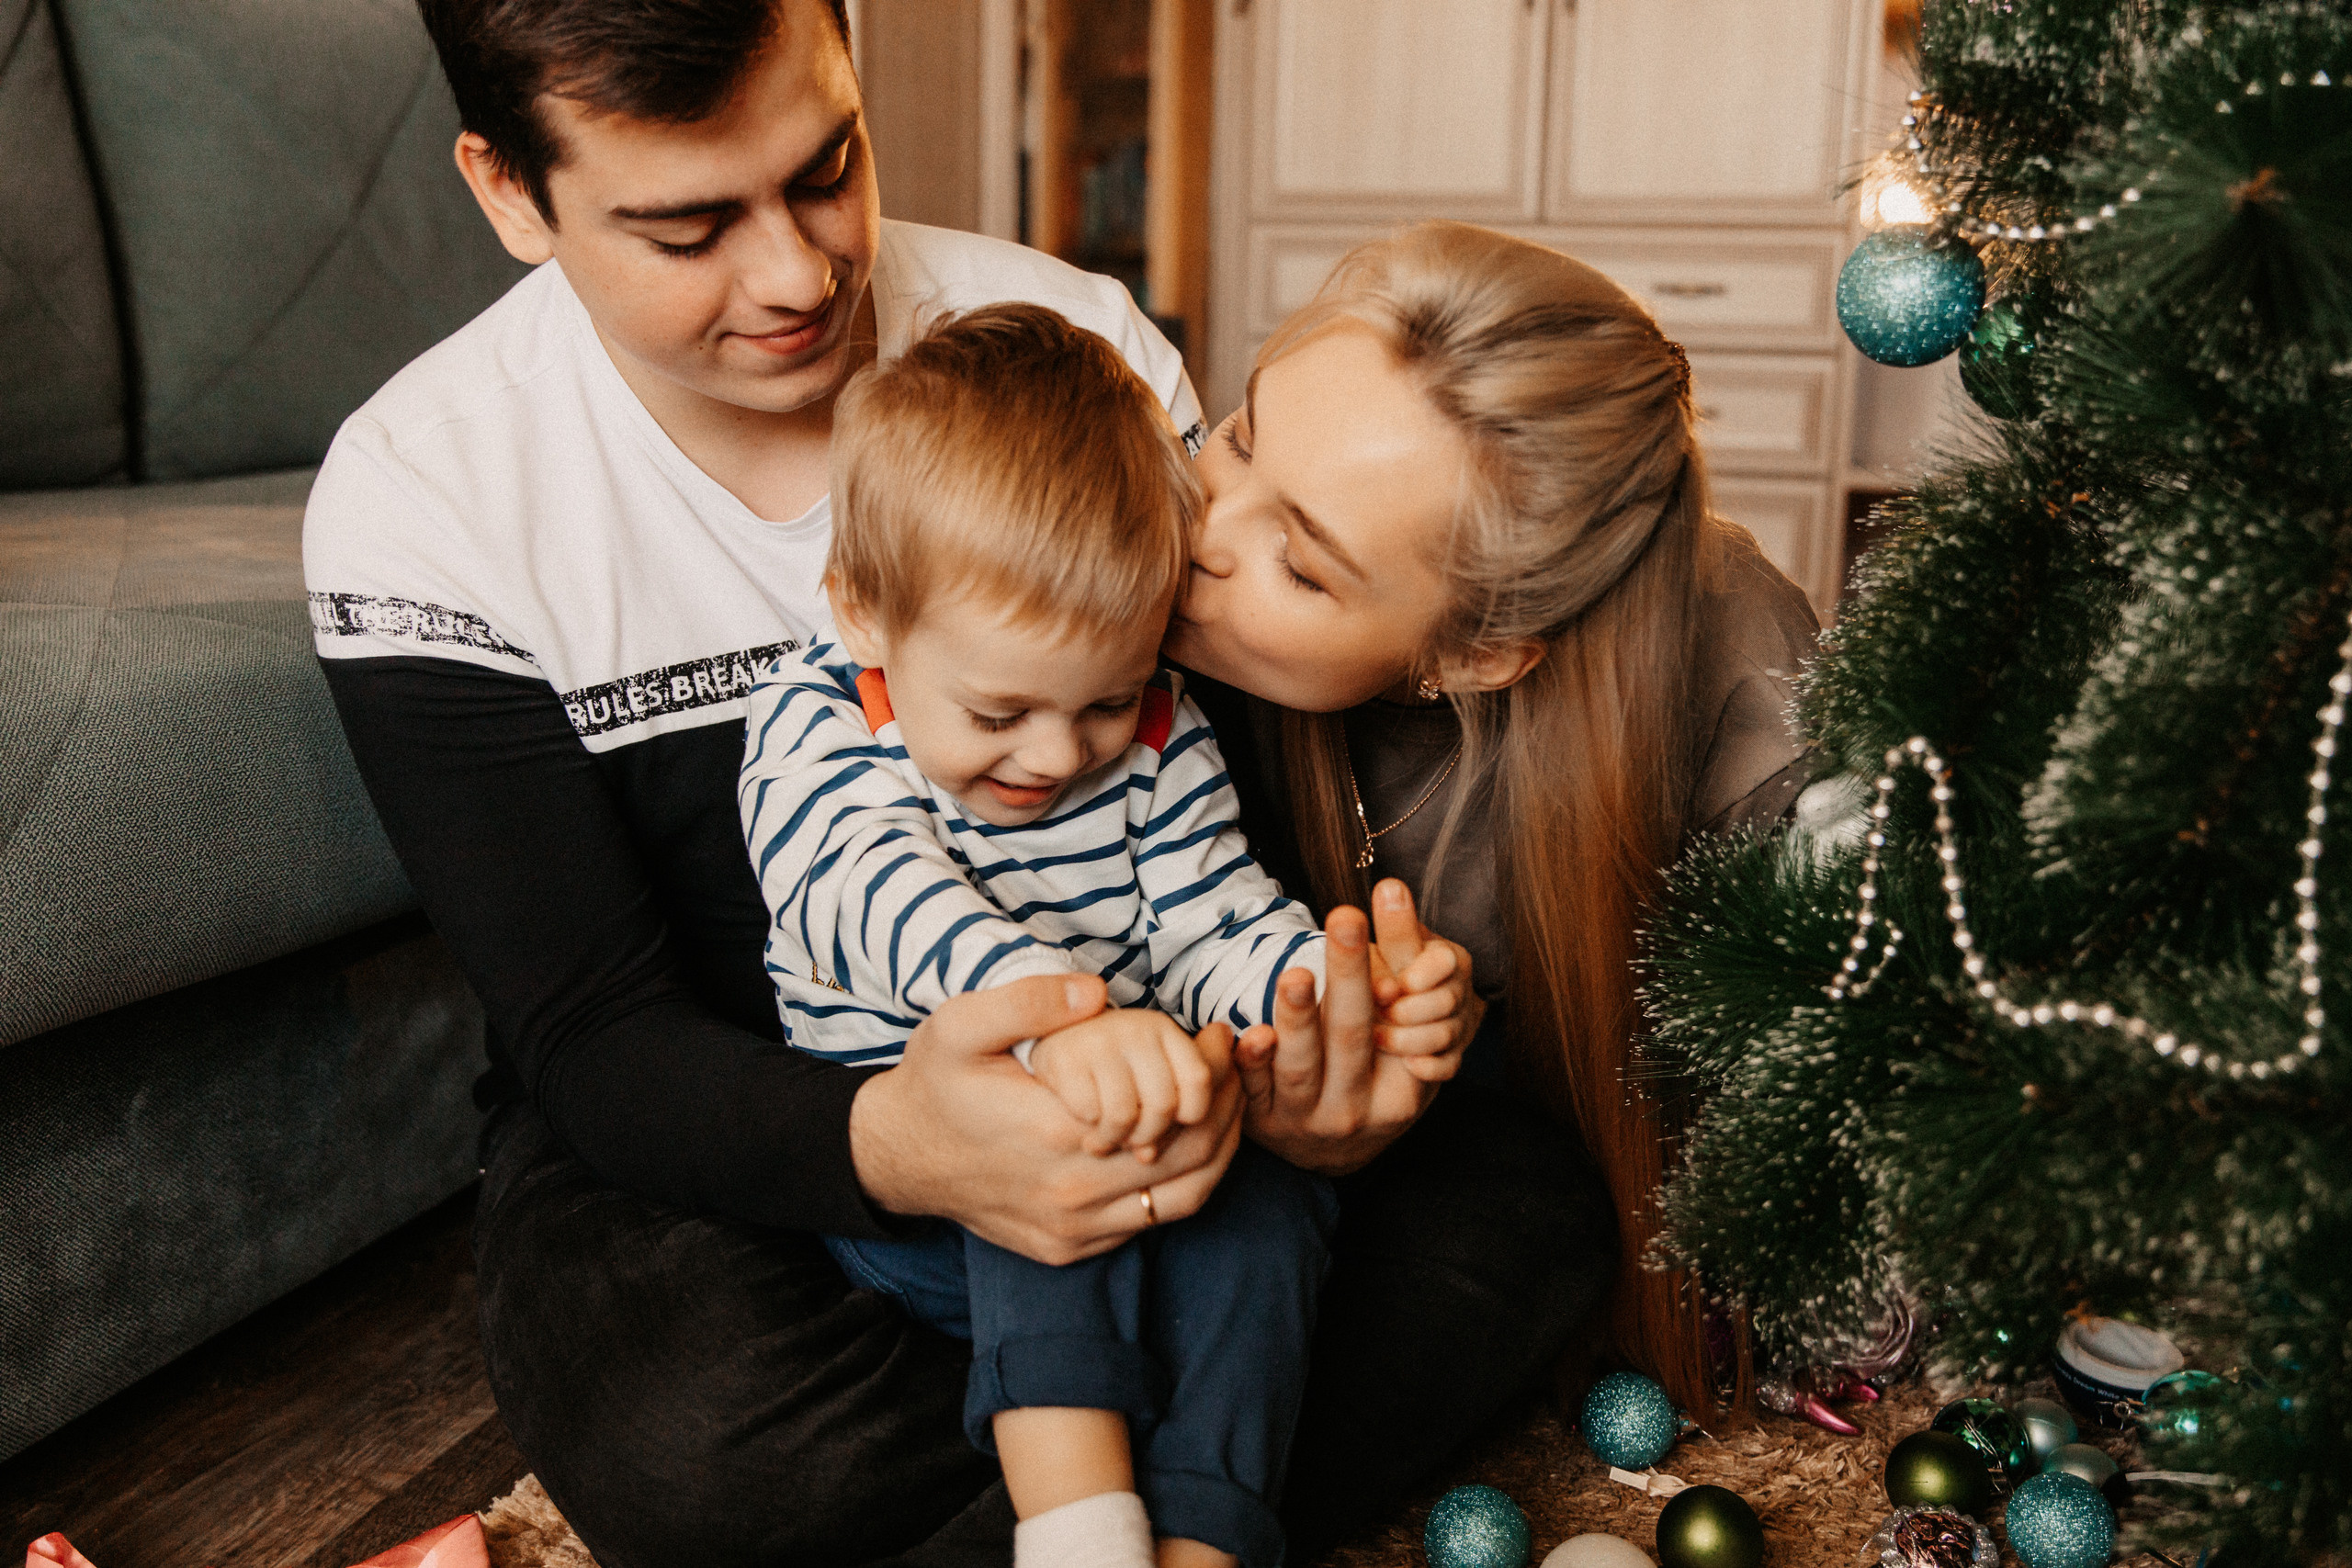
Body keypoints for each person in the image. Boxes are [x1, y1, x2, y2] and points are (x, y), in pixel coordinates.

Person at [308, 3, 1512, 1565]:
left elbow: (1199, 834)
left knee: (1515, 1212)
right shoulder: (425, 497)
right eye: (689, 226)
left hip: (1142, 1071)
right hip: (726, 1113)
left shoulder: (1073, 351)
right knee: (696, 1438)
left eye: (829, 168)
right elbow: (592, 1035)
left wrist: (1313, 1062)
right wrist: (909, 1145)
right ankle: (1120, 1468)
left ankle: (1124, 1495)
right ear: (511, 194)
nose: (803, 276)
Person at [741, 303, 1453, 1568]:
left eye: (1106, 700)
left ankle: (1207, 1532)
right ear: (865, 614)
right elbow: (863, 887)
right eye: (1001, 709)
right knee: (1045, 1161)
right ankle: (1077, 1531)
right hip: (931, 1187)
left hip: (1141, 1144)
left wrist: (1315, 995)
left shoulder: (1157, 738)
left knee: (1271, 1215)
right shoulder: (822, 726)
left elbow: (1209, 913)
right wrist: (1053, 1016)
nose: (1059, 754)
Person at [1165, 222, 1823, 1473]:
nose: (1201, 525)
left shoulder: (1749, 723)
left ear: (1470, 657)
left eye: (1301, 565)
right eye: (1241, 435)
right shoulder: (1154, 550)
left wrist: (1373, 1113)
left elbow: (1750, 1140)